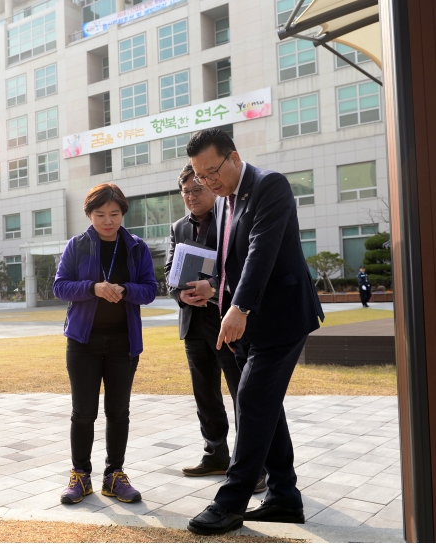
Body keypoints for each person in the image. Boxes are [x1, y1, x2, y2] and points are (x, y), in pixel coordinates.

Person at [182, 128, 324, 535]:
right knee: (266, 406)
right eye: (200, 177)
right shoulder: (226, 200)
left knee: (251, 399)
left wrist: (239, 306)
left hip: (280, 317)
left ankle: (230, 503)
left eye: (211, 172)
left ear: (234, 157)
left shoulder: (269, 185)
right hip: (245, 321)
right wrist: (217, 290)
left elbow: (262, 250)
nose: (208, 183)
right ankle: (283, 497)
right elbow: (234, 261)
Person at [53, 183, 157, 505]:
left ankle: (115, 476)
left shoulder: (136, 248)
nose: (108, 220)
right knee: (83, 413)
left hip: (123, 344)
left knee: (119, 412)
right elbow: (60, 287)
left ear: (123, 213)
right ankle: (80, 476)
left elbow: (151, 290)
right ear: (89, 214)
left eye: (114, 214)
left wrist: (125, 290)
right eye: (100, 214)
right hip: (83, 342)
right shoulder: (78, 245)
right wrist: (93, 288)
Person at [165, 164, 266, 494]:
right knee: (204, 394)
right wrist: (180, 293)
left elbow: (242, 267)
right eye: (186, 193)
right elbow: (169, 274)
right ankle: (215, 453)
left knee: (244, 394)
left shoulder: (230, 220)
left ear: (211, 188)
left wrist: (211, 285)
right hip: (193, 325)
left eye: (198, 190)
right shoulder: (178, 227)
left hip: (227, 322)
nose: (192, 197)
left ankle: (255, 465)